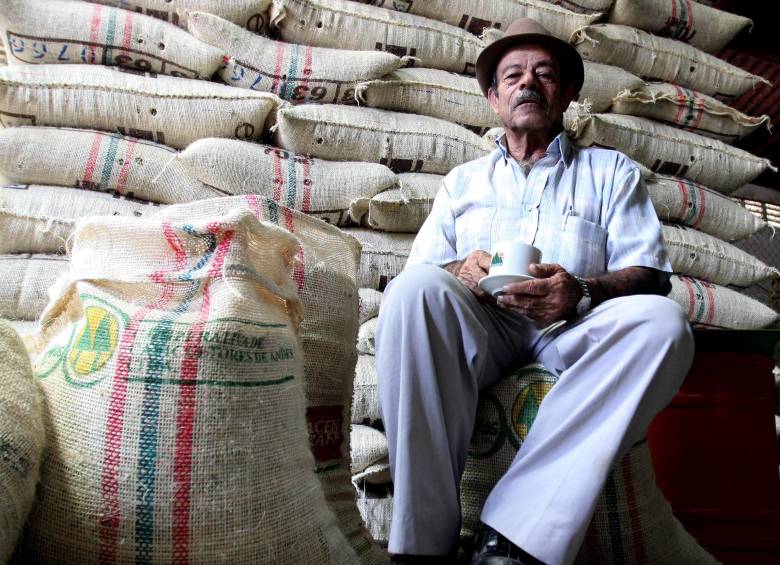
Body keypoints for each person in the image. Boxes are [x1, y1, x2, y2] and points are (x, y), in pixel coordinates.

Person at [374, 18, 695, 565]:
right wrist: (462, 269)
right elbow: (425, 268)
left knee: (665, 325)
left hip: (571, 326)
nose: (529, 83)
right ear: (494, 97)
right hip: (483, 328)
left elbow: (650, 274)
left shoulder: (610, 171)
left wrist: (582, 290)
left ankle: (514, 537)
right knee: (414, 292)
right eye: (514, 75)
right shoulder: (463, 182)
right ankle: (421, 548)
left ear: (567, 93)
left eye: (545, 74)